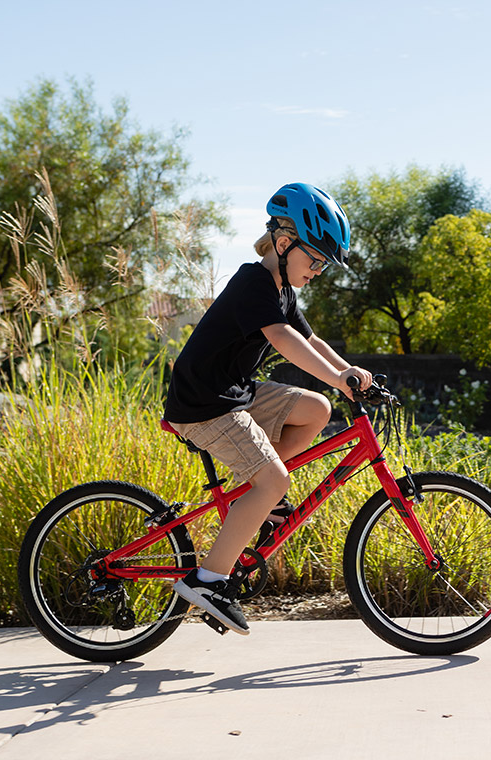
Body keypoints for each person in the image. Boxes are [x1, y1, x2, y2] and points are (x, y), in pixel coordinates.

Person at [164, 182, 372, 635]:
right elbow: (282, 338)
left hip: (233, 391)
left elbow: (310, 339)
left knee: (316, 409)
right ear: (283, 244)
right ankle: (208, 580)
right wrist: (338, 379)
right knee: (275, 478)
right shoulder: (253, 283)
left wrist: (348, 370)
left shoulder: (282, 290)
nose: (318, 270)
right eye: (315, 259)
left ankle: (257, 496)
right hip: (204, 402)